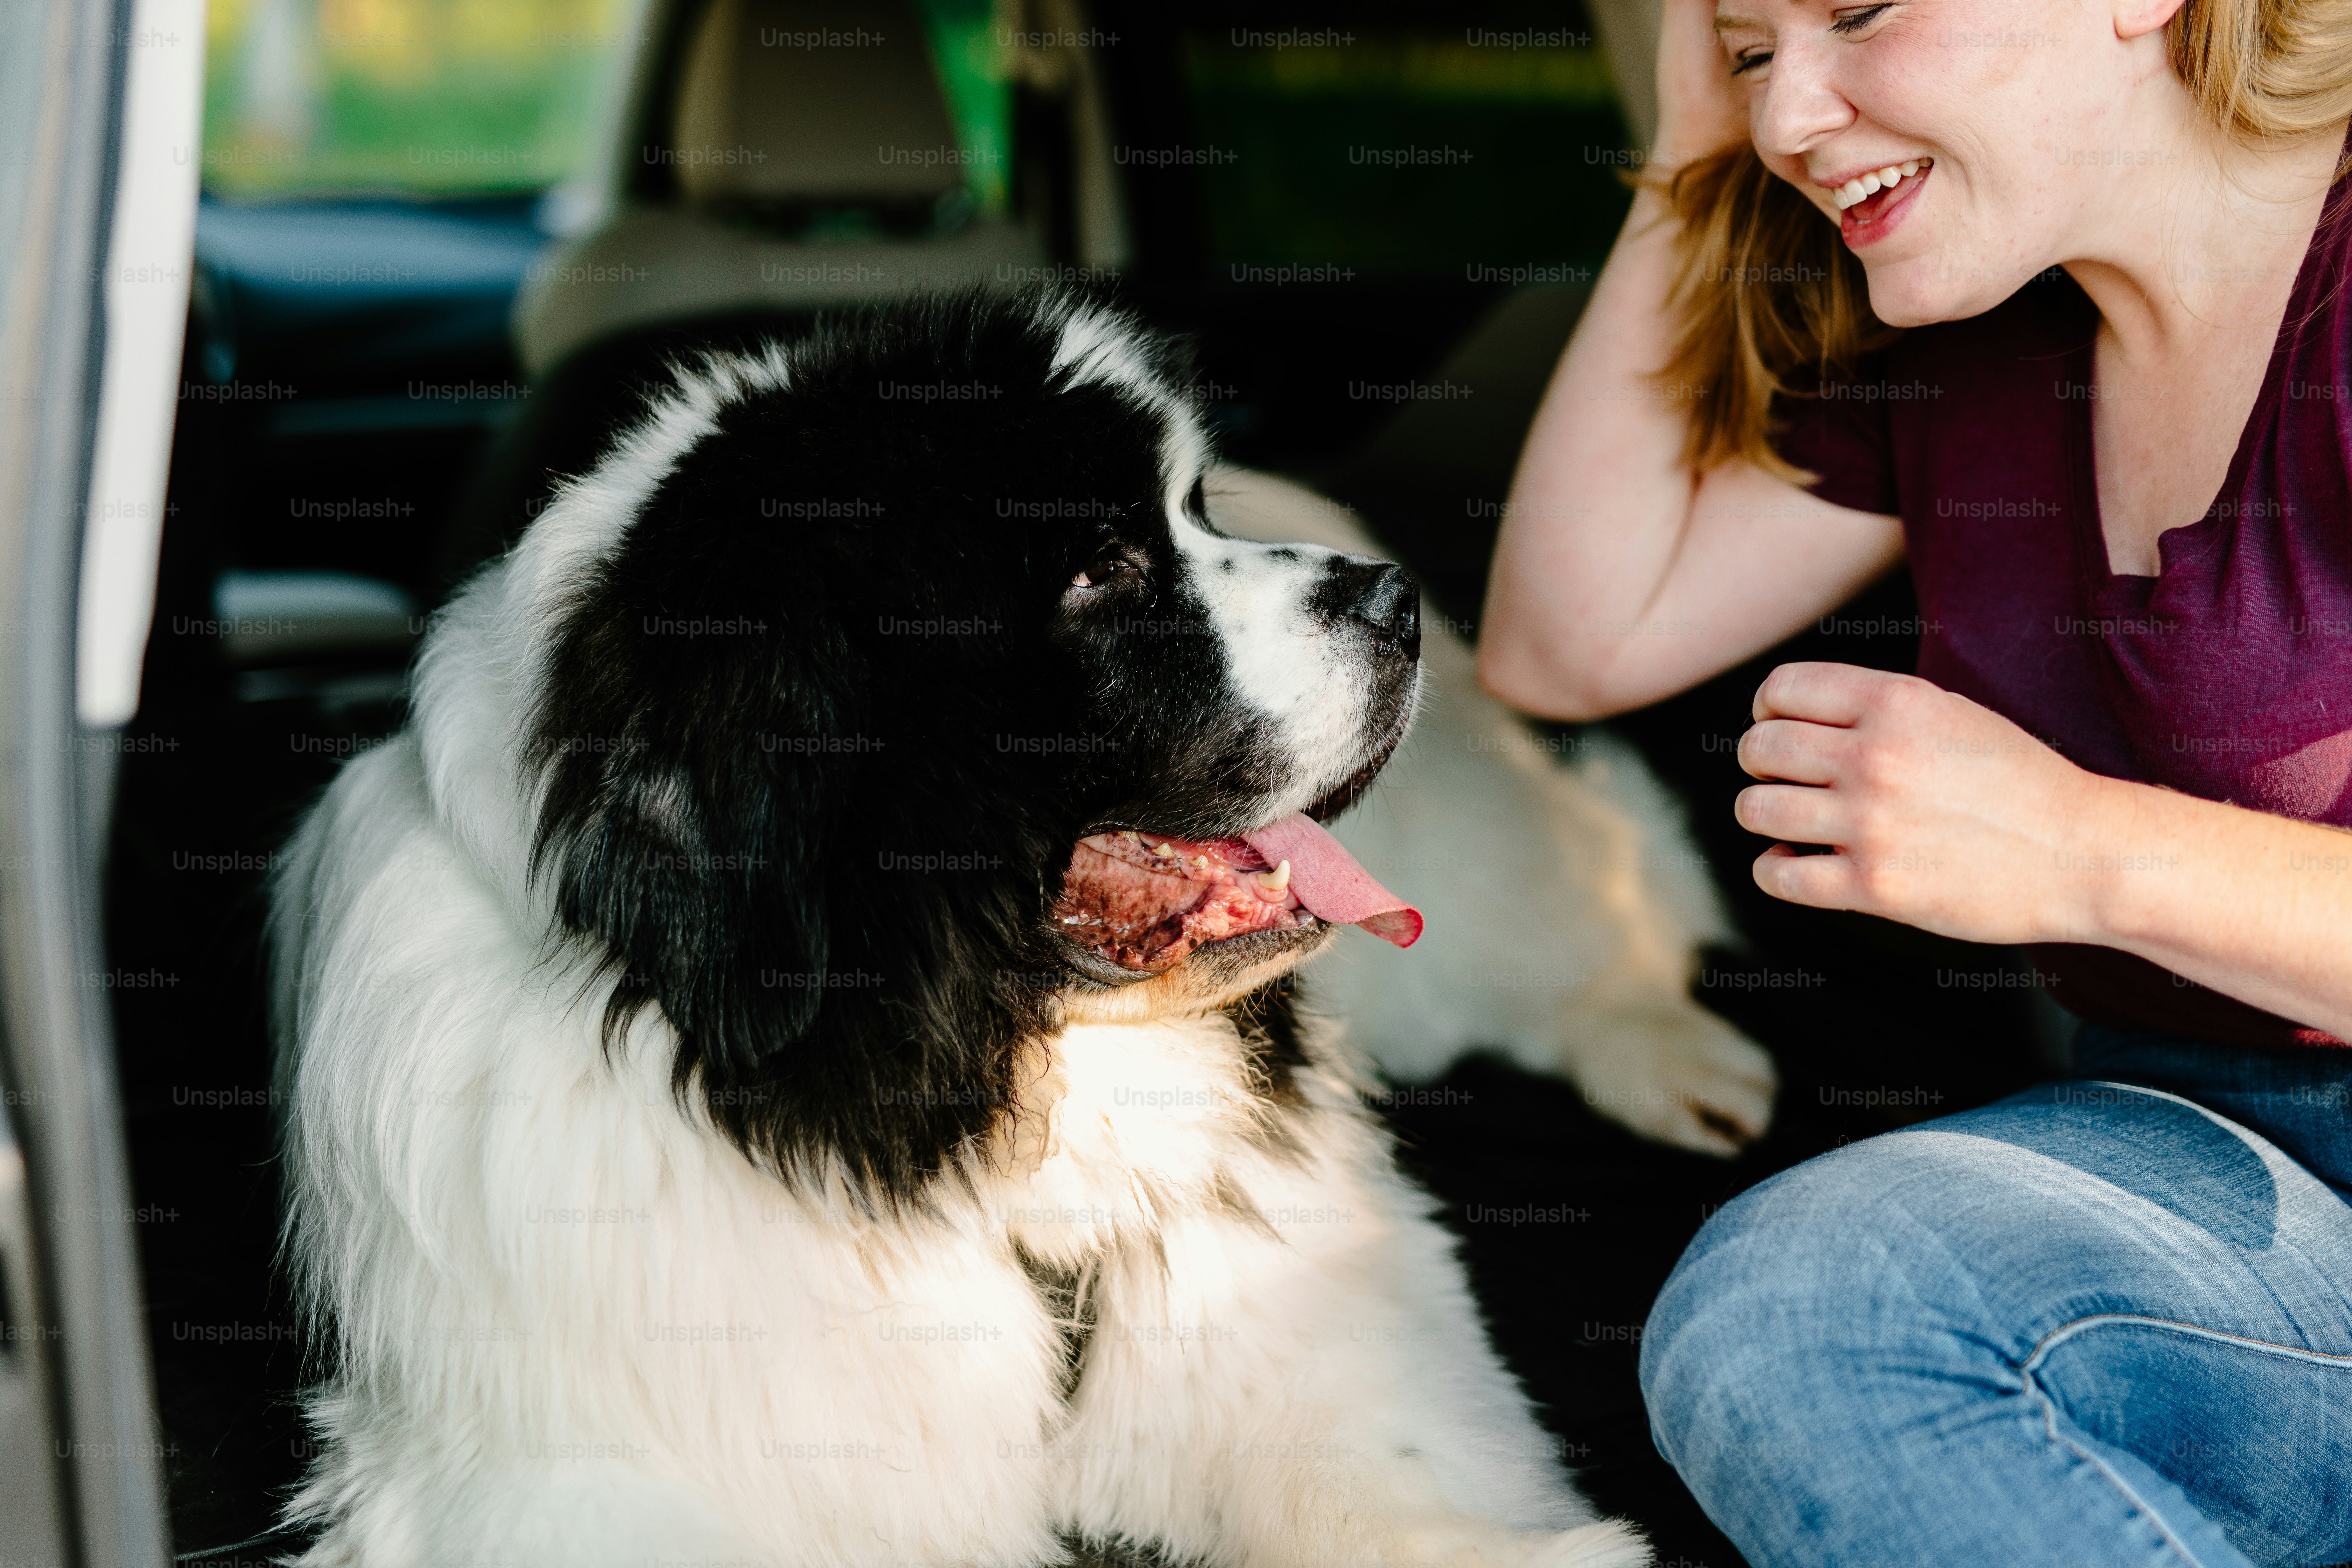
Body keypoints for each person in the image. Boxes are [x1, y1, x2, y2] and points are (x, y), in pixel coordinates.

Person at [1479, 0, 2352, 1560]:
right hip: (2195, 1163)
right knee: (1804, 1301)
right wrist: (1685, 159)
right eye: (1750, 50)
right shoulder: (1984, 354)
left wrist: (2081, 848)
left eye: (1859, 12)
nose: (1789, 118)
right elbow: (1565, 640)